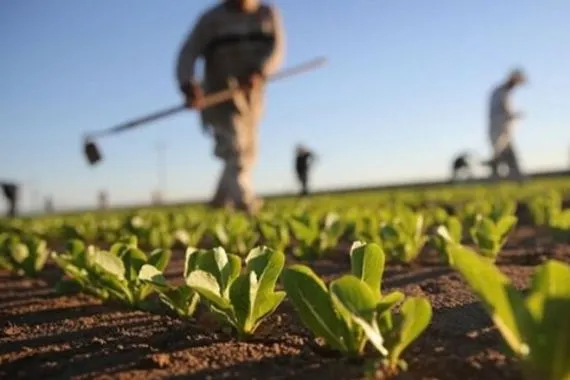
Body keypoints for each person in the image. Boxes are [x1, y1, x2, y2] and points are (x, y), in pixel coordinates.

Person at [175, 0, 285, 214]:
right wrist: (188, 85)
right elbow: (188, 53)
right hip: (219, 97)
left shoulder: (267, 14)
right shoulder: (211, 19)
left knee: (248, 153)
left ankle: (218, 203)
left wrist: (261, 72)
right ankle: (246, 203)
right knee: (235, 150)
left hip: (251, 99)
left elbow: (277, 49)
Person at [488, 69, 527, 180]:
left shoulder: (504, 92)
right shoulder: (500, 92)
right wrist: (515, 115)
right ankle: (514, 179)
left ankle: (515, 179)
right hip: (499, 131)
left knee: (505, 157)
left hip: (503, 131)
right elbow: (502, 111)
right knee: (502, 157)